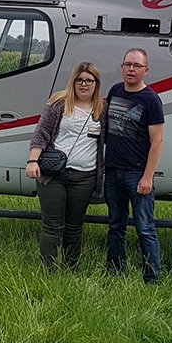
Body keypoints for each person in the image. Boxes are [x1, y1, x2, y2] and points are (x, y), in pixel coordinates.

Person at [25, 63, 105, 271]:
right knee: (52, 225)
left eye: (89, 80)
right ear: (74, 81)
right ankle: (48, 270)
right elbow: (41, 134)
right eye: (80, 80)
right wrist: (33, 161)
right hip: (54, 174)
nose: (84, 84)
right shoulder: (59, 103)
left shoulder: (102, 111)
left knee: (74, 226)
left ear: (96, 84)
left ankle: (71, 268)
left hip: (84, 177)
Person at [103, 47, 165, 284]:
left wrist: (147, 177)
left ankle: (152, 278)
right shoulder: (115, 91)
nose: (131, 69)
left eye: (137, 66)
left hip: (137, 173)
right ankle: (116, 272)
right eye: (128, 64)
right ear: (121, 67)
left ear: (145, 70)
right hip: (113, 171)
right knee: (116, 225)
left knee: (145, 228)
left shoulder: (151, 100)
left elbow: (157, 140)